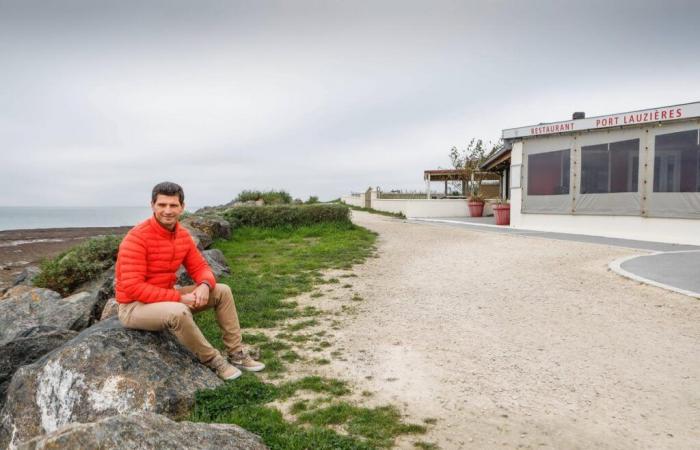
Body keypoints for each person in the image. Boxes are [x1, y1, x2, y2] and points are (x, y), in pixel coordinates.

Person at [115, 181, 264, 380]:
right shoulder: (136, 238)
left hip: (164, 298)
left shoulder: (182, 236)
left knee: (222, 290)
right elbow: (133, 288)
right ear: (152, 205)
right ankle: (214, 361)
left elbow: (201, 268)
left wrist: (204, 285)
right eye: (162, 205)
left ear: (182, 207)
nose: (167, 211)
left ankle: (236, 354)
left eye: (173, 205)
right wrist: (179, 297)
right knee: (179, 311)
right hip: (134, 307)